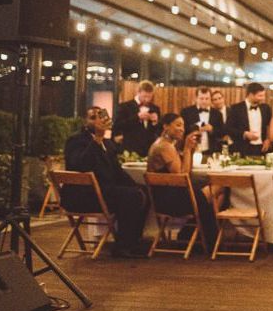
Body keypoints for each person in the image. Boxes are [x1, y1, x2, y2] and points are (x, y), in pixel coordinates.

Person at [64, 106, 148, 258]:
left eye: (100, 116)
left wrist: (136, 187)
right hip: (84, 194)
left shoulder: (108, 144)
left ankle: (133, 242)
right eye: (92, 117)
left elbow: (117, 172)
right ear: (85, 121)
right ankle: (122, 247)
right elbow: (82, 165)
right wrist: (96, 139)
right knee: (130, 196)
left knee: (142, 191)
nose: (97, 120)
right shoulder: (76, 140)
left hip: (105, 191)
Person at [146, 113, 217, 247]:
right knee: (217, 189)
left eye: (183, 126)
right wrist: (187, 148)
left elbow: (186, 172)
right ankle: (208, 240)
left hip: (168, 195)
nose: (182, 129)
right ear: (166, 126)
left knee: (216, 188)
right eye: (178, 125)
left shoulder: (167, 144)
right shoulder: (164, 146)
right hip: (169, 200)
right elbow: (182, 177)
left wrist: (188, 150)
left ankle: (194, 236)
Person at [112, 80, 161, 156]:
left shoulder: (155, 109)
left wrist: (155, 122)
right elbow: (117, 125)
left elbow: (158, 131)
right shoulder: (125, 106)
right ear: (138, 92)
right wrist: (137, 117)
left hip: (148, 149)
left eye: (149, 97)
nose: (147, 99)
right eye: (144, 96)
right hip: (130, 148)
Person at [226, 82, 272, 156]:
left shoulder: (266, 108)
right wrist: (245, 134)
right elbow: (228, 128)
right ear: (250, 95)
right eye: (260, 96)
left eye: (263, 95)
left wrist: (268, 139)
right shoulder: (236, 109)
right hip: (243, 148)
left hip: (262, 148)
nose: (263, 98)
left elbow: (269, 125)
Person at [180, 87, 223, 157]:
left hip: (210, 151)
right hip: (191, 150)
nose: (204, 101)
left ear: (210, 99)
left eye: (207, 98)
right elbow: (182, 130)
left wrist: (212, 129)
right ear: (196, 98)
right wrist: (196, 128)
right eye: (201, 98)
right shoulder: (186, 112)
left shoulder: (217, 114)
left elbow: (222, 133)